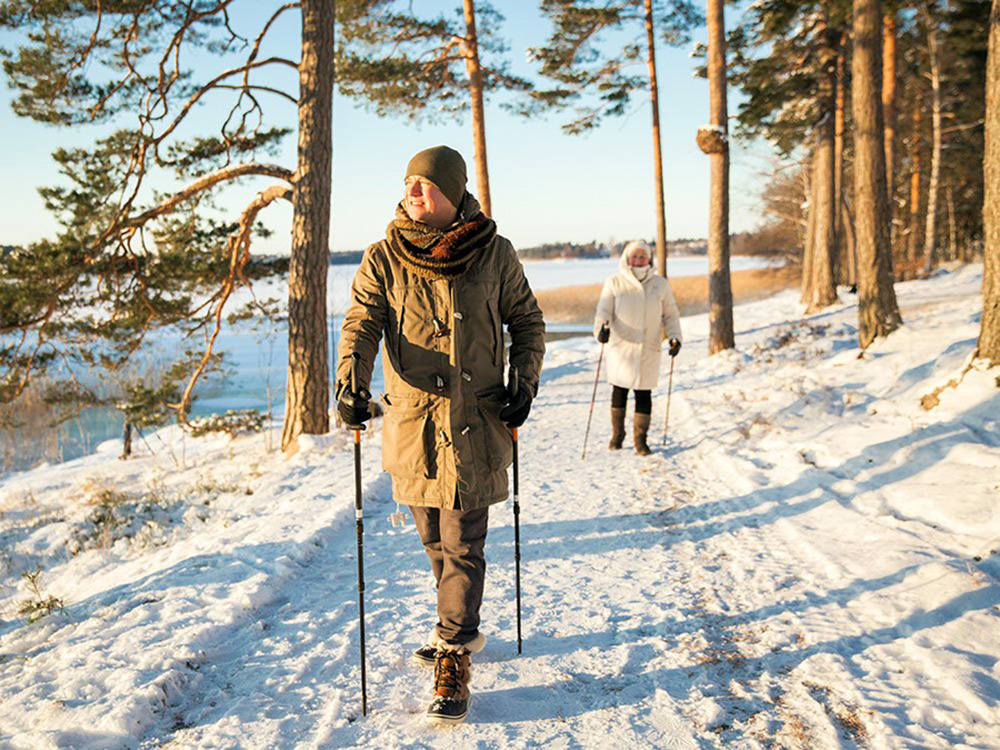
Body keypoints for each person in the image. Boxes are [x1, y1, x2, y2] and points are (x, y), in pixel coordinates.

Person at [336, 145, 545, 725]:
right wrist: (349, 384)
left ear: (452, 193)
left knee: (463, 540)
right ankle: (457, 621)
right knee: (432, 536)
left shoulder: (494, 254)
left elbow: (526, 321)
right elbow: (361, 324)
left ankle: (454, 650)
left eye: (425, 184)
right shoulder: (384, 257)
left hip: (477, 423)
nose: (412, 192)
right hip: (414, 424)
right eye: (407, 182)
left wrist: (523, 383)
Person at [593, 240, 682, 455]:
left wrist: (674, 337)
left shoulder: (660, 285)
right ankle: (618, 434)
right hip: (621, 347)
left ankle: (640, 440)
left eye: (642, 256)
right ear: (626, 258)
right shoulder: (614, 282)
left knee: (644, 394)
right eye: (634, 256)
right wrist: (601, 329)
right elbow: (603, 310)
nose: (638, 260)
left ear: (649, 259)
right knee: (619, 391)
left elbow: (670, 314)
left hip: (648, 347)